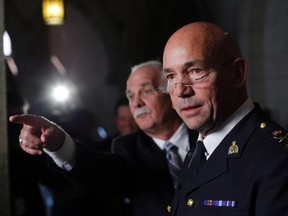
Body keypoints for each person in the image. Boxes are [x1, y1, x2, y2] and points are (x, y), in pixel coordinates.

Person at [9, 60, 199, 216]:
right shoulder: (127, 148)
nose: (137, 103)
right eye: (131, 96)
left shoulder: (207, 137)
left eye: (146, 91)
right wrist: (59, 142)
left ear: (172, 93)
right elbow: (98, 170)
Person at [160, 21, 288, 215]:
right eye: (171, 76)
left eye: (196, 71)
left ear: (237, 74)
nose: (180, 91)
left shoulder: (276, 159)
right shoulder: (197, 153)